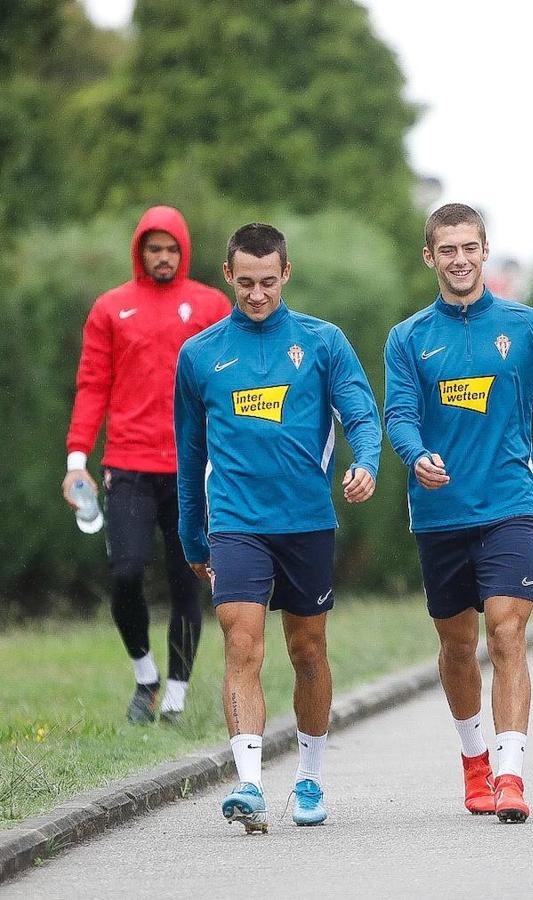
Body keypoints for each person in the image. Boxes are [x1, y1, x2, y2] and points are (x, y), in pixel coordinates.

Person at [384, 203, 533, 824]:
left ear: (485, 251)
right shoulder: (408, 338)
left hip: (510, 503)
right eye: (447, 250)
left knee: (507, 631)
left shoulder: (528, 327)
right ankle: (474, 759)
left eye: (470, 248)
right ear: (430, 257)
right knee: (458, 646)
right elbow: (398, 414)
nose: (460, 260)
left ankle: (511, 775)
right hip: (440, 511)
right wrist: (416, 453)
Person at [175, 223, 382, 832]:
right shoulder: (201, 355)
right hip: (237, 522)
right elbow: (188, 455)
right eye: (245, 284)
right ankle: (248, 782)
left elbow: (361, 414)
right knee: (241, 642)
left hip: (307, 523)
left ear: (286, 274)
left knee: (307, 648)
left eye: (268, 283)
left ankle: (311, 775)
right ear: (227, 276)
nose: (257, 294)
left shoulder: (322, 343)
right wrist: (193, 535)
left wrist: (365, 462)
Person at [63, 206, 230, 725]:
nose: (162, 257)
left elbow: (232, 383)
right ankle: (145, 678)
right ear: (140, 251)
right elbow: (93, 385)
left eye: (171, 249)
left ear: (185, 251)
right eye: (153, 248)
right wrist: (76, 462)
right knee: (125, 573)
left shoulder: (211, 305)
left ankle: (177, 697)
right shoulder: (112, 308)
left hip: (191, 467)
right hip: (129, 465)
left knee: (187, 580)